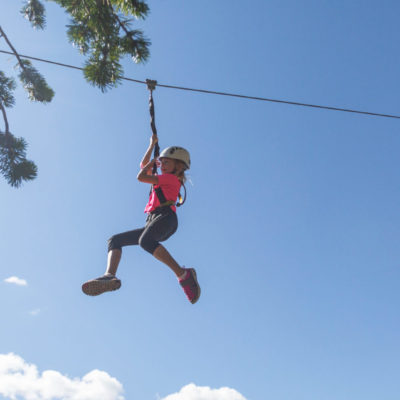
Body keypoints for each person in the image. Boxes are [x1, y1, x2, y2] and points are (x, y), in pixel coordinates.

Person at [82, 135, 201, 304]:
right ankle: (110, 276)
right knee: (115, 240)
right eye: (162, 162)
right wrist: (151, 145)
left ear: (178, 166)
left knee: (145, 241)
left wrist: (151, 164)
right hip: (155, 220)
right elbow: (142, 166)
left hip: (166, 218)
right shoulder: (161, 179)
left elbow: (141, 176)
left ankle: (183, 275)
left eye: (167, 162)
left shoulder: (170, 179)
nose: (163, 164)